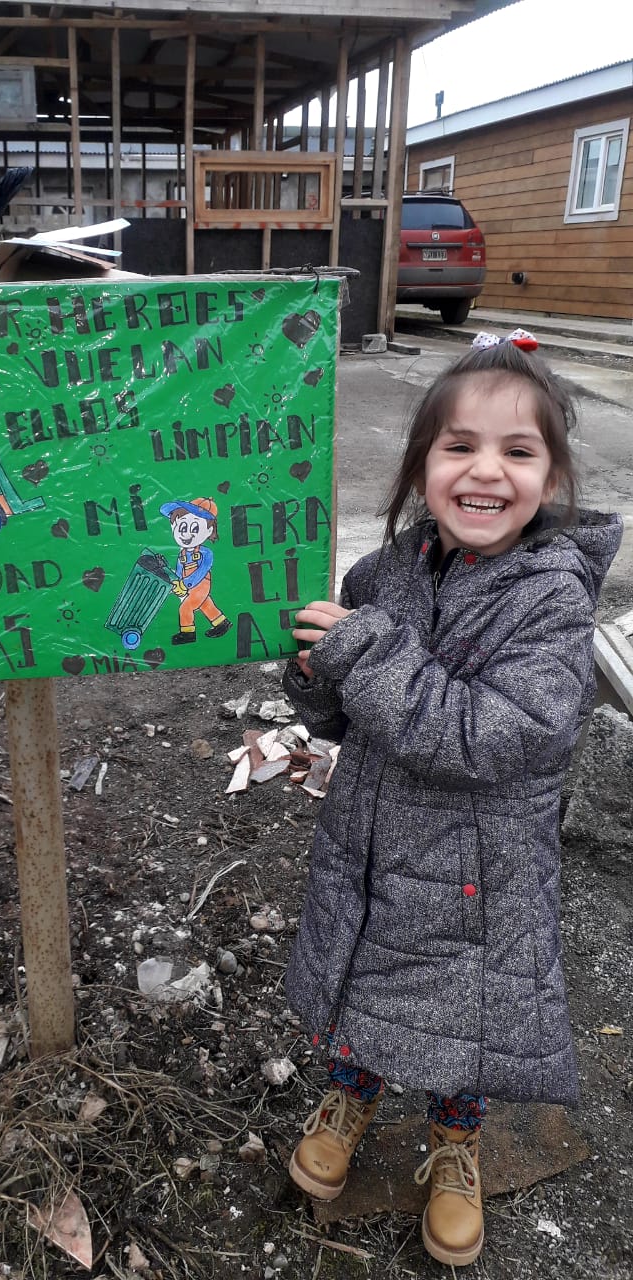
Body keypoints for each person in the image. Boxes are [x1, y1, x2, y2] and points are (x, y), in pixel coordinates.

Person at [281, 332, 623, 1267]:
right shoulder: (385, 572)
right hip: (372, 841)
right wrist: (314, 676)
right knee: (364, 983)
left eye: (518, 452)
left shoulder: (552, 601)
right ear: (421, 462)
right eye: (459, 446)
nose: (486, 472)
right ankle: (348, 1101)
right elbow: (348, 708)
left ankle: (456, 1144)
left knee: (458, 1021)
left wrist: (365, 656)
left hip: (479, 874)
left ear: (551, 481)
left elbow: (485, 735)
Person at [159, 496, 233, 645]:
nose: (186, 534)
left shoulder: (206, 553)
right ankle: (221, 623)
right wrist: (178, 584)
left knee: (186, 607)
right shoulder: (182, 554)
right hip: (188, 584)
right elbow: (180, 571)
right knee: (205, 604)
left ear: (208, 531)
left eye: (194, 529)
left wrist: (186, 584)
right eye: (183, 527)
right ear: (173, 526)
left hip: (201, 584)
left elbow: (202, 571)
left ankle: (188, 633)